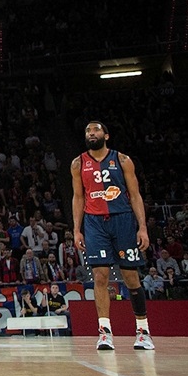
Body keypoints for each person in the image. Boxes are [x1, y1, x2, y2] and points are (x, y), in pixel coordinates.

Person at [72, 119, 153, 351]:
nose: (91, 132)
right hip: (94, 222)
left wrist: (143, 227)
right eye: (88, 130)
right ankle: (105, 332)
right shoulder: (78, 163)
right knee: (99, 276)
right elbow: (78, 197)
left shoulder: (123, 160)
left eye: (96, 129)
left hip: (123, 219)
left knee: (131, 278)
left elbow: (135, 195)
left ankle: (143, 330)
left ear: (106, 136)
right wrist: (77, 229)